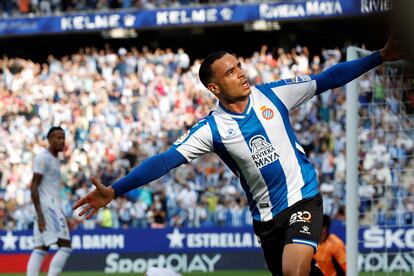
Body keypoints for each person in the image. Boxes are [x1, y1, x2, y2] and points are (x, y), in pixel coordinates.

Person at [73, 34, 401, 276]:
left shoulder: (273, 95)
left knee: (293, 272)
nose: (241, 73)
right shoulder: (212, 129)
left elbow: (327, 79)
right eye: (230, 72)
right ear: (214, 87)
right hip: (266, 220)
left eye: (239, 66)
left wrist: (381, 56)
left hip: (303, 199)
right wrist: (115, 190)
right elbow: (164, 160)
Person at [27, 127, 72, 276]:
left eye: (63, 137)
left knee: (40, 248)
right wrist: (40, 214)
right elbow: (33, 186)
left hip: (50, 207)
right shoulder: (43, 158)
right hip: (47, 208)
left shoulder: (55, 160)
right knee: (65, 246)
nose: (61, 141)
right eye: (57, 138)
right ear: (49, 140)